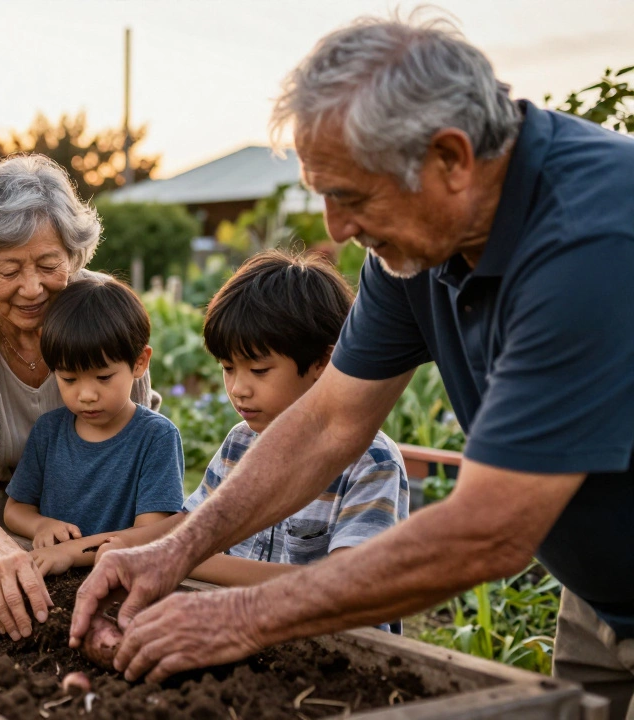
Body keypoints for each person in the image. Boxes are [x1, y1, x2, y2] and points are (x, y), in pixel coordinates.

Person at [71, 14, 634, 715]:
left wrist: (239, 617)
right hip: (602, 601)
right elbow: (330, 420)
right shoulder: (415, 247)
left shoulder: (593, 242)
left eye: (352, 197)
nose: (337, 230)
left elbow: (489, 531)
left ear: (451, 159)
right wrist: (173, 551)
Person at [38, 252, 409, 631]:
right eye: (228, 368)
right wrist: (125, 548)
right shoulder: (241, 442)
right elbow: (187, 525)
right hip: (242, 629)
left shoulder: (372, 463)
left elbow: (345, 589)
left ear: (321, 364)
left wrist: (185, 559)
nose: (237, 389)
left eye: (259, 370)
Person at [0, 154, 158, 642]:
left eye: (47, 265)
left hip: (82, 545)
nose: (32, 288)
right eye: (9, 269)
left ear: (73, 255)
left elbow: (136, 446)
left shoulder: (105, 316)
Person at [3, 275, 184, 547]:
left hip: (122, 579)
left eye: (103, 378)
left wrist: (73, 551)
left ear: (139, 362)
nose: (86, 396)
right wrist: (42, 524)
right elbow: (15, 509)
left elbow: (152, 534)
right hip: (52, 576)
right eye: (69, 379)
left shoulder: (156, 437)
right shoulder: (49, 431)